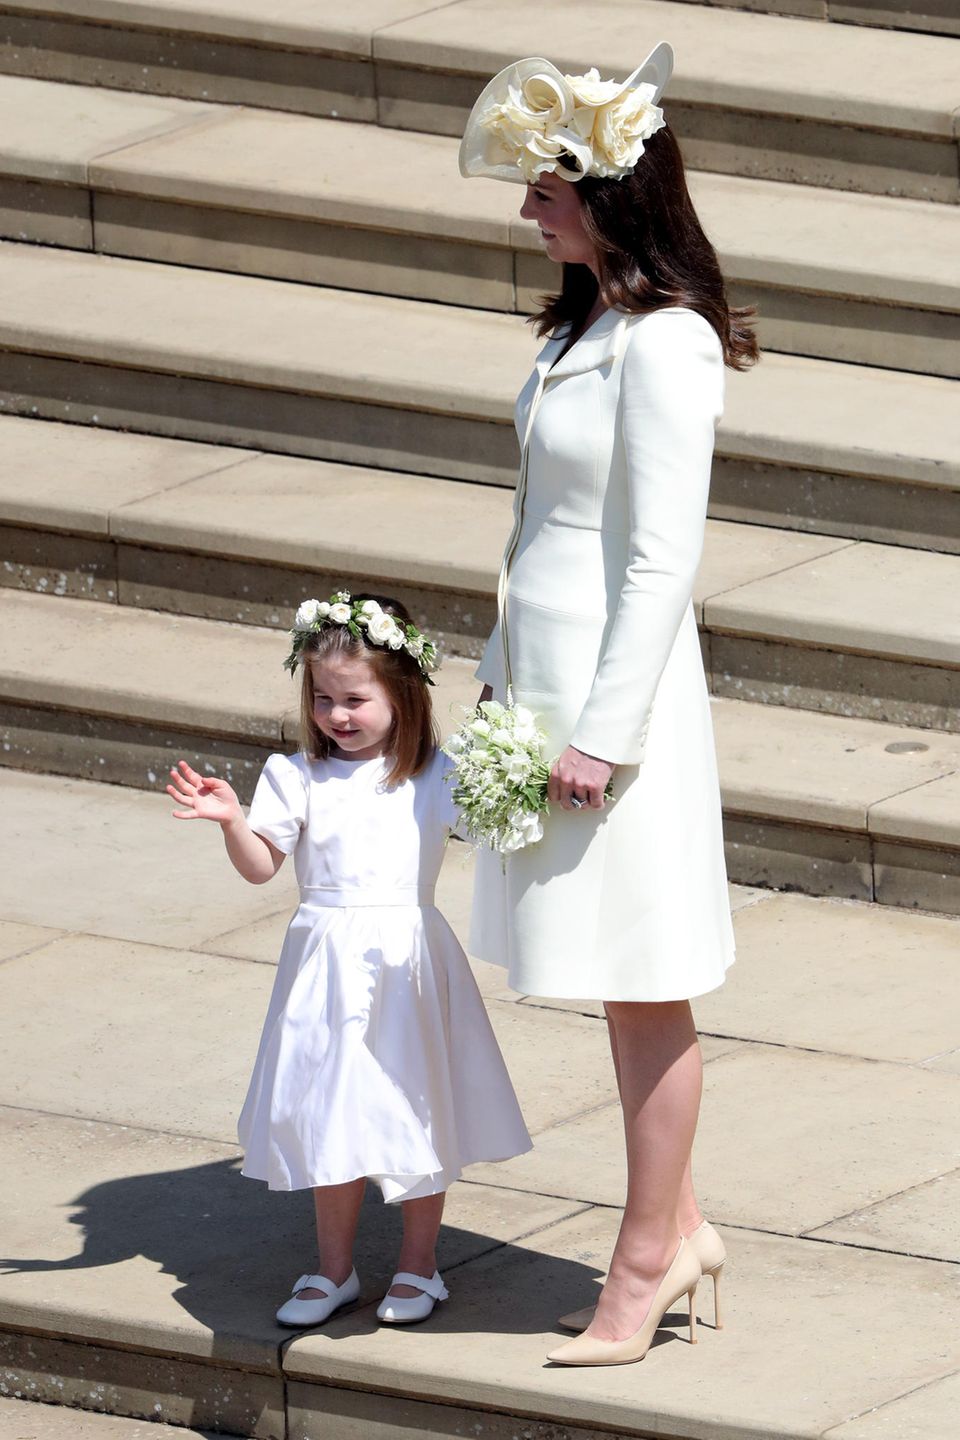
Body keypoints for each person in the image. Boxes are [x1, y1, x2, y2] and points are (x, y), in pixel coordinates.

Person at [459, 44, 758, 1366]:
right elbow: (542, 530)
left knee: (646, 985)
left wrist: (603, 734)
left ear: (608, 198)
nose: (528, 209)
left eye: (545, 189)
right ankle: (681, 1226)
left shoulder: (670, 342)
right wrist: (498, 674)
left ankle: (643, 1266)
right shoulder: (585, 321)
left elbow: (658, 556)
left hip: (613, 712)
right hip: (550, 681)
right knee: (616, 982)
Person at [168, 591, 531, 1328]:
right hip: (324, 973)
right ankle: (333, 1270)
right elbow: (262, 867)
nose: (337, 714)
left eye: (355, 698)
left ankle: (418, 1264)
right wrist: (233, 820)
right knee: (329, 1115)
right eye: (324, 698)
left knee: (414, 1110)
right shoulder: (296, 776)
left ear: (401, 693)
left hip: (406, 967)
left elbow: (500, 830)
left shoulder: (433, 777)